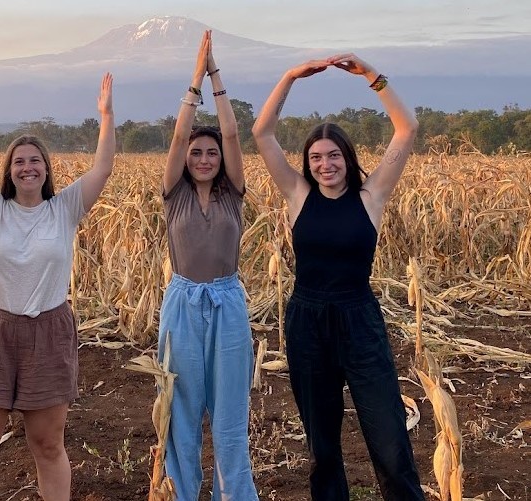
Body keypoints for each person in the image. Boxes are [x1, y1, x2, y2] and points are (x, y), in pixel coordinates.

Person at [251, 54, 424, 500]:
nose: (325, 164)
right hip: (307, 321)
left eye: (333, 155)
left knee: (388, 436)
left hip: (358, 319)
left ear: (347, 158)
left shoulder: (372, 196)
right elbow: (262, 133)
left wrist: (371, 75)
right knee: (322, 445)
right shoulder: (297, 193)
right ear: (307, 164)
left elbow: (406, 129)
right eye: (316, 157)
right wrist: (289, 76)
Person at [0, 64, 115, 501]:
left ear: (46, 169)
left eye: (35, 160)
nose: (27, 168)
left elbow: (103, 168)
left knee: (47, 444)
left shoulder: (65, 208)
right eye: (19, 161)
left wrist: (107, 117)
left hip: (48, 332)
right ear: (9, 170)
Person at [157, 30, 258, 500]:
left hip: (227, 303)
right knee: (180, 410)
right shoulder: (174, 196)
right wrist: (193, 79)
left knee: (230, 414)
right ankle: (181, 493)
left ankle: (233, 495)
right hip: (182, 304)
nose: (201, 158)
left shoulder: (232, 195)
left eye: (210, 152)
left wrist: (217, 75)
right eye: (195, 153)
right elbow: (180, 133)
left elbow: (233, 132)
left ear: (221, 160)